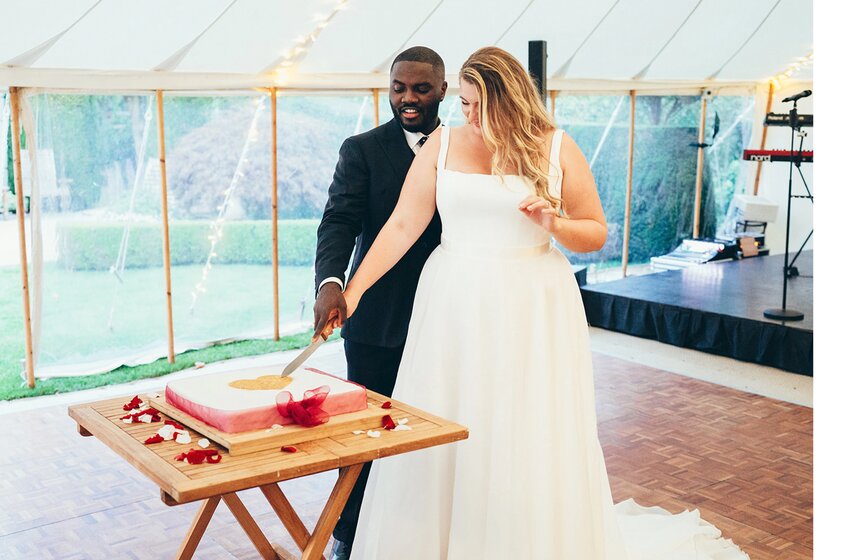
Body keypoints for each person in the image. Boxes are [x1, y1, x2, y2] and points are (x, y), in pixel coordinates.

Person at [337, 47, 750, 559]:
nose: (466, 115)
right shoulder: (441, 145)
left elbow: (595, 231)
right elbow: (402, 225)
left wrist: (554, 224)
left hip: (530, 302)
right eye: (462, 103)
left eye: (475, 105)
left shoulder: (555, 147)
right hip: (453, 301)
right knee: (447, 412)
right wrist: (352, 291)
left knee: (522, 421)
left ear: (507, 101)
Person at [312, 46, 448, 559]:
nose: (408, 99)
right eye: (398, 88)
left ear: (442, 90)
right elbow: (340, 221)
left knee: (436, 428)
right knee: (368, 435)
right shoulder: (361, 149)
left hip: (448, 313)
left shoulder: (465, 148)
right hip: (377, 318)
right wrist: (331, 282)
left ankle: (424, 532)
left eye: (420, 88)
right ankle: (349, 536)